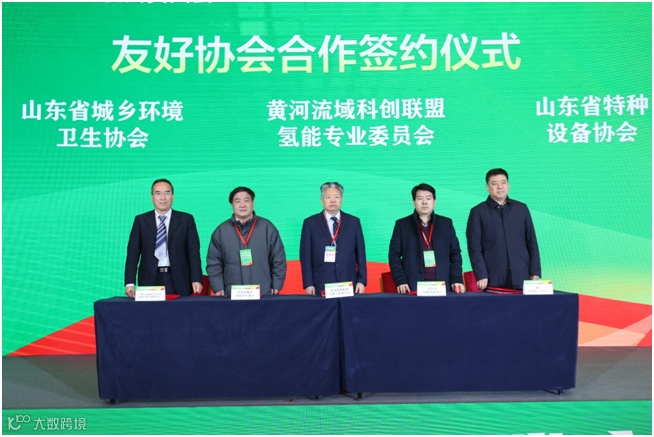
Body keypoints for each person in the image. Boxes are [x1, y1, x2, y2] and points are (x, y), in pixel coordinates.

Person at [124, 179, 203, 297]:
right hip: (149, 278)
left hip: (179, 279)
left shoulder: (186, 220)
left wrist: (196, 279)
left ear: (172, 196)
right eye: (158, 193)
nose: (162, 198)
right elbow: (133, 253)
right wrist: (130, 282)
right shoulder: (141, 221)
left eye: (167, 193)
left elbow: (193, 252)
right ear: (152, 197)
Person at [466, 168, 541, 290]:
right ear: (487, 187)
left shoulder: (521, 209)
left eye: (503, 182)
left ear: (508, 185)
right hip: (492, 276)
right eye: (495, 184)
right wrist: (481, 274)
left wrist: (535, 271)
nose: (500, 187)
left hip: (522, 274)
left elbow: (532, 241)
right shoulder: (478, 212)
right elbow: (474, 247)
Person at [206, 187, 286, 297]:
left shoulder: (267, 228)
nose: (242, 205)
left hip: (263, 292)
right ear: (232, 204)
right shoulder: (221, 231)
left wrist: (277, 284)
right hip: (232, 294)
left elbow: (278, 259)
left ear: (253, 202)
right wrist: (218, 287)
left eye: (246, 200)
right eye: (237, 201)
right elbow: (214, 262)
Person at [388, 183, 464, 293]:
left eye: (428, 198)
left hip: (442, 286)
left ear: (434, 202)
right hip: (412, 286)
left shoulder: (446, 223)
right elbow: (394, 255)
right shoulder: (402, 225)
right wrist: (401, 281)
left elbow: (455, 254)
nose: (424, 202)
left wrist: (456, 279)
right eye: (420, 198)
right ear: (413, 202)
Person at [300, 182, 367, 295]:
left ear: (342, 200)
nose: (332, 201)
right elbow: (305, 256)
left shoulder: (353, 222)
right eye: (328, 197)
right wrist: (308, 283)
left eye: (336, 197)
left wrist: (361, 280)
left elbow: (361, 254)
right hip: (321, 281)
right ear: (321, 200)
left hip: (348, 281)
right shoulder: (310, 223)